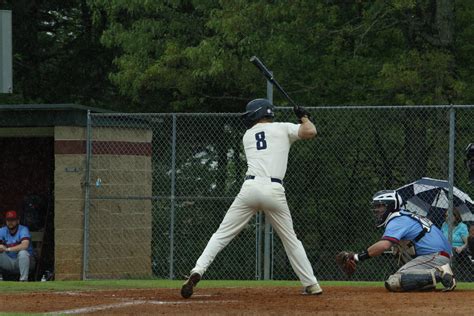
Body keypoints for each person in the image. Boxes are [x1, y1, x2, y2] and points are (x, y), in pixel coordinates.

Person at [180, 99, 322, 298]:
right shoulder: (283, 128)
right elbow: (311, 131)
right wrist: (303, 117)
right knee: (291, 240)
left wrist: (301, 119)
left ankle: (197, 270)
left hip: (250, 188)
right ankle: (312, 284)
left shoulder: (248, 135)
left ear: (256, 114)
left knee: (221, 235)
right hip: (274, 189)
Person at [337, 190, 456, 292]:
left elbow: (384, 245)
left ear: (390, 206)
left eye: (380, 206)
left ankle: (441, 273)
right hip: (438, 255)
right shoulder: (404, 216)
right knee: (398, 252)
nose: (377, 210)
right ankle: (431, 279)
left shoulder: (397, 219)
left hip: (435, 256)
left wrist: (357, 257)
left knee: (394, 281)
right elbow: (389, 249)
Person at [0, 210, 35, 281]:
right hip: (9, 261)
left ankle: (23, 280)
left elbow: (25, 245)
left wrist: (7, 249)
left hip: (25, 261)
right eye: (8, 220)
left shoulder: (23, 229)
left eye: (12, 220)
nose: (10, 222)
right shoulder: (2, 230)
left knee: (23, 252)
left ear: (17, 221)